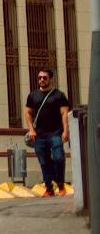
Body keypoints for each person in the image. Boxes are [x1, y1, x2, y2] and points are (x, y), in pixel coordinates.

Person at [23, 67, 71, 195]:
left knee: (59, 158)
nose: (42, 80)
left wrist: (66, 131)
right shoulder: (33, 95)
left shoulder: (59, 95)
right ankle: (49, 188)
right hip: (39, 135)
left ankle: (60, 184)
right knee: (44, 161)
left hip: (56, 132)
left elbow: (64, 114)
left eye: (44, 78)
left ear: (50, 79)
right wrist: (31, 129)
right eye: (39, 78)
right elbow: (27, 112)